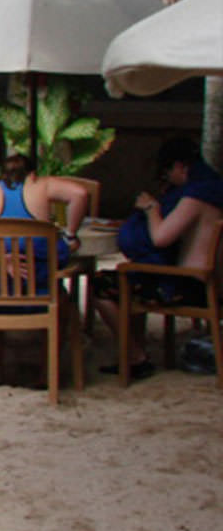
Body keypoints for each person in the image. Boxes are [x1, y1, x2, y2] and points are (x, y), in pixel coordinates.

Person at [0, 154, 89, 385]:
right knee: (62, 300)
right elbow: (80, 194)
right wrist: (70, 234)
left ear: (0, 175)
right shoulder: (42, 185)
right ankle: (46, 372)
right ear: (33, 174)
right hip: (38, 296)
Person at [94, 137, 223, 378]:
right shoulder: (214, 190)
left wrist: (151, 208)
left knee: (100, 285)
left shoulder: (195, 198)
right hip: (208, 283)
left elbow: (161, 238)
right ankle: (135, 352)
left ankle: (135, 356)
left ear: (180, 166)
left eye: (167, 172)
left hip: (187, 285)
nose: (167, 179)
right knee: (134, 274)